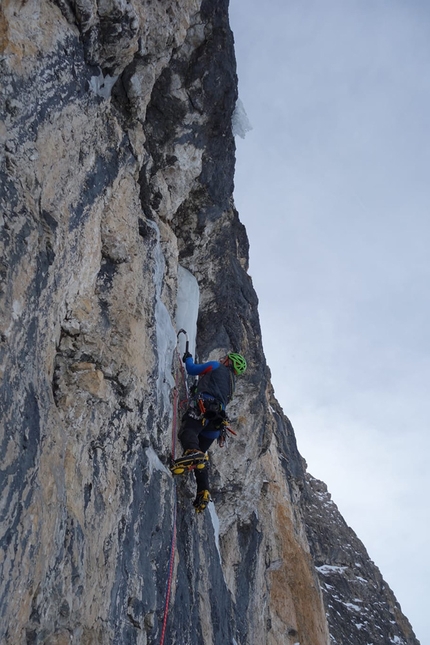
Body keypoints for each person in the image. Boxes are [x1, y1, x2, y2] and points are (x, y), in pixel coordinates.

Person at [173, 352, 247, 512]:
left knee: (189, 433)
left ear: (228, 361)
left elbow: (192, 369)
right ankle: (203, 490)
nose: (222, 359)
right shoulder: (232, 386)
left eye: (225, 358)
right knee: (200, 458)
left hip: (204, 408)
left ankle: (192, 451)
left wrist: (188, 358)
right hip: (216, 423)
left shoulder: (216, 366)